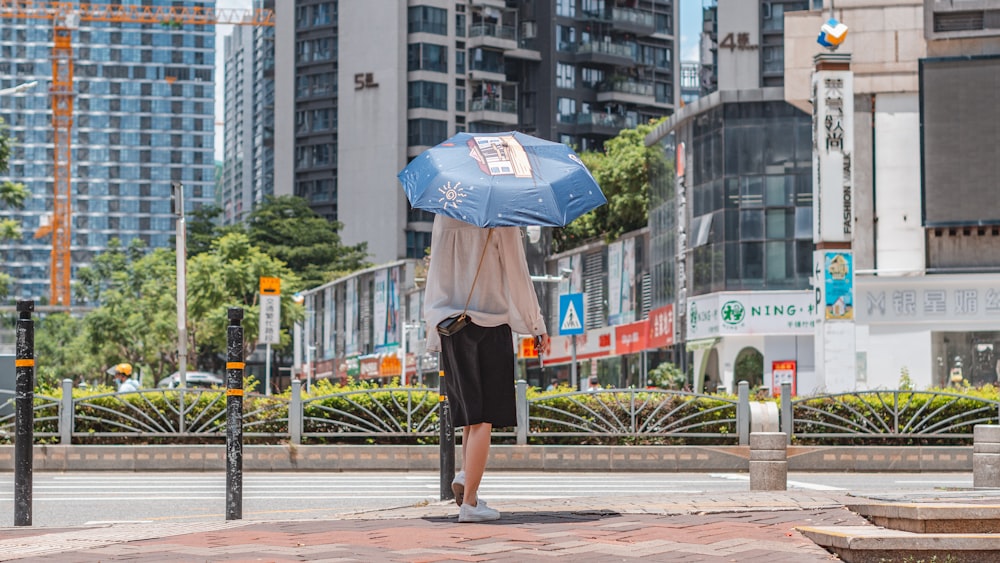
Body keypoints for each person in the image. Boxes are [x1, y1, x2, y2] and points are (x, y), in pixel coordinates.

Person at [424, 215, 550, 523]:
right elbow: (517, 273)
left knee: (470, 417)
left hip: (450, 326)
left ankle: (469, 478)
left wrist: (433, 328)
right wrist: (536, 324)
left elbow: (435, 274)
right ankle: (469, 504)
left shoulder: (445, 213)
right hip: (489, 325)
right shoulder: (501, 215)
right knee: (483, 419)